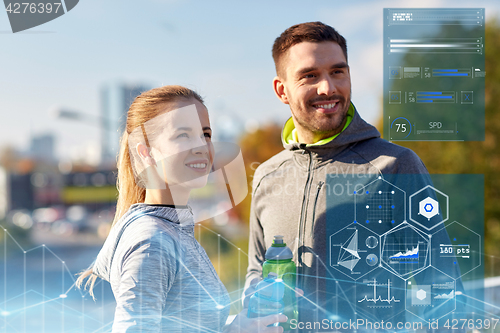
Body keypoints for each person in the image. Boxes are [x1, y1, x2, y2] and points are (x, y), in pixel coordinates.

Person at [244, 22, 463, 328]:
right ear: (282, 90)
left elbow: (442, 283)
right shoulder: (267, 176)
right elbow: (255, 272)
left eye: (337, 72)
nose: (328, 88)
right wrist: (258, 295)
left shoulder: (395, 165)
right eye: (310, 76)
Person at [76, 85, 286, 333]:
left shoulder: (173, 230)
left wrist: (236, 327)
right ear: (146, 153)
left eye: (205, 134)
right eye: (183, 135)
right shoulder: (152, 241)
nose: (201, 146)